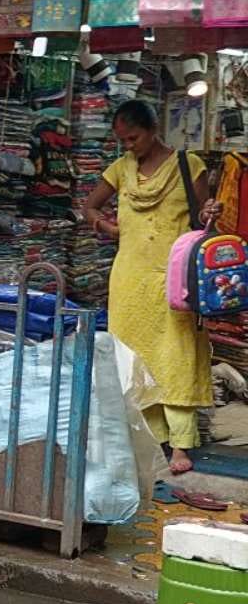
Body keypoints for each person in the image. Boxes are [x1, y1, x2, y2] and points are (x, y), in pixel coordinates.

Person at [84, 100, 221, 475]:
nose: (129, 146)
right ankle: (148, 438)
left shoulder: (187, 165)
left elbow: (202, 216)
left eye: (134, 137)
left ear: (153, 128)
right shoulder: (120, 170)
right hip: (130, 277)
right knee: (133, 357)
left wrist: (210, 213)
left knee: (177, 356)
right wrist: (104, 226)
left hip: (175, 278)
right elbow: (90, 206)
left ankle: (180, 445)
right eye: (123, 140)